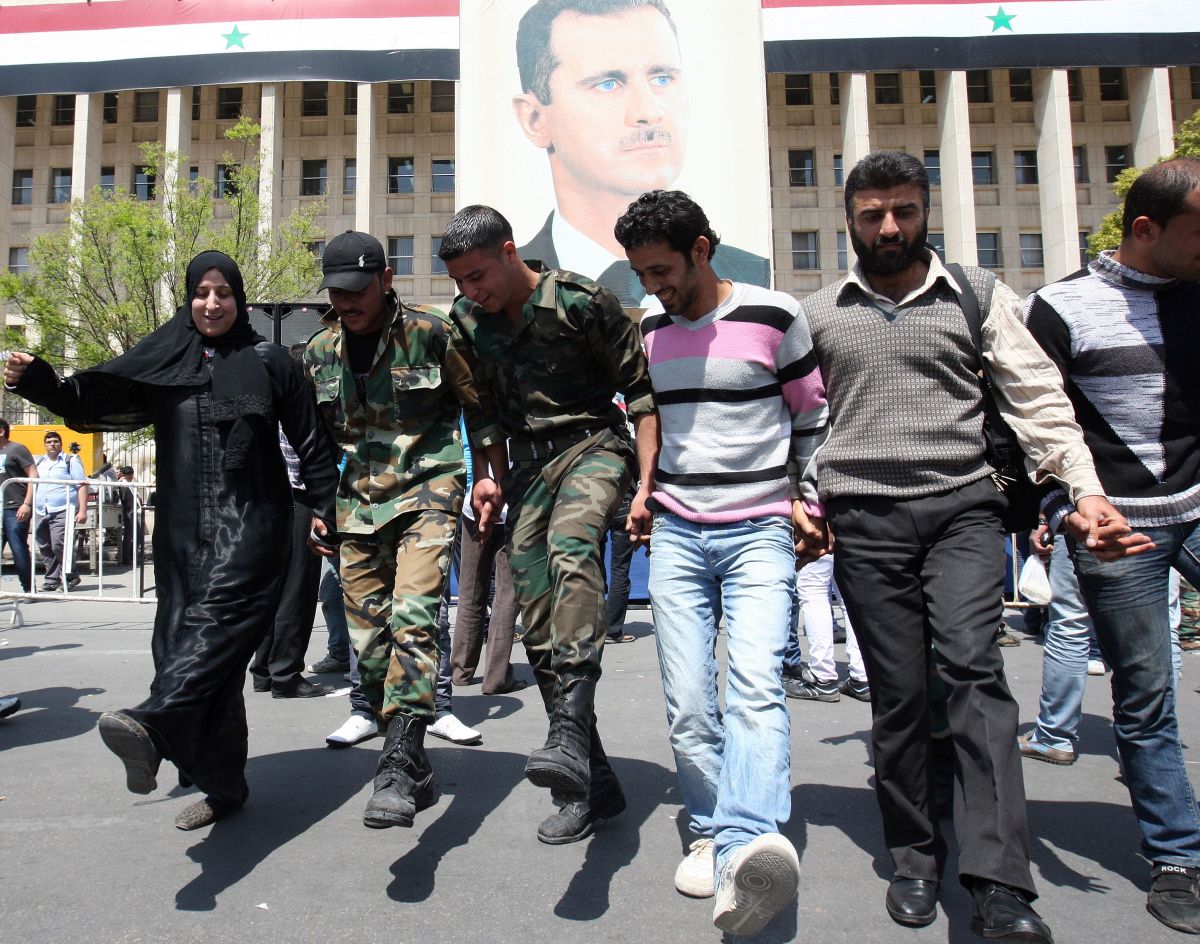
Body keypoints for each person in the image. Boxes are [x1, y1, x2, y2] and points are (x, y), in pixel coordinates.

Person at [794, 150, 1142, 942]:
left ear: (927, 211)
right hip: (866, 519)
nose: (890, 227)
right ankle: (916, 856)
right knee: (901, 695)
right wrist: (800, 495)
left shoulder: (980, 295)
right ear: (848, 220)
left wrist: (1085, 491)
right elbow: (796, 420)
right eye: (873, 213)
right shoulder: (816, 313)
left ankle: (999, 882)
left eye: (905, 211)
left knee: (974, 675)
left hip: (964, 511)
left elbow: (1039, 401)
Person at [5, 251, 338, 831]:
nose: (213, 303)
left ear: (239, 298)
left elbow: (313, 445)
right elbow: (92, 403)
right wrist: (41, 381)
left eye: (224, 293)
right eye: (202, 293)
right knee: (183, 653)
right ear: (189, 298)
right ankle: (223, 784)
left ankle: (155, 727)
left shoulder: (273, 361)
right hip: (182, 536)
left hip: (254, 526)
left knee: (209, 640)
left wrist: (325, 512)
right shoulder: (165, 359)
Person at [614, 189, 817, 934]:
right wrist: (643, 490)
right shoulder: (651, 327)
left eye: (661, 268)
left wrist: (811, 501)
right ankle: (709, 825)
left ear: (702, 248)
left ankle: (740, 849)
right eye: (641, 272)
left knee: (757, 686)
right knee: (690, 700)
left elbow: (813, 416)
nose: (652, 285)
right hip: (676, 532)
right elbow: (653, 420)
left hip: (759, 528)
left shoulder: (774, 315)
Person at [439, 204, 656, 844]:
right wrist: (488, 475)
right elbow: (479, 412)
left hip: (593, 447)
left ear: (510, 251)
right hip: (527, 469)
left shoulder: (581, 302)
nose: (470, 291)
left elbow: (641, 396)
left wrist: (645, 488)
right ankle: (593, 777)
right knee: (536, 623)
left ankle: (564, 732)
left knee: (572, 552)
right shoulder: (466, 321)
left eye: (478, 276)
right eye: (459, 282)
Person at [1023, 157, 1200, 935]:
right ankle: (1177, 859)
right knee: (1145, 696)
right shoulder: (1059, 308)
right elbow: (1030, 427)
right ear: (1144, 230)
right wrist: (1063, 508)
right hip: (1116, 529)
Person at [306, 230, 488, 829]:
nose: (347, 302)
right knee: (369, 641)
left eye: (357, 289)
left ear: (386, 279)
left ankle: (402, 756)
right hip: (355, 505)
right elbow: (313, 440)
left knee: (414, 617)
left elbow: (477, 408)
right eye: (336, 292)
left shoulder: (432, 334)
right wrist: (315, 504)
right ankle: (407, 756)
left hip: (427, 490)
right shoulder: (320, 352)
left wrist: (486, 476)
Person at [511, 0, 768, 306]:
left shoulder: (756, 277)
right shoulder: (507, 288)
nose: (648, 111)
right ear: (535, 119)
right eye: (607, 84)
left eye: (662, 78)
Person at [248, 401, 336, 699]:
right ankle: (284, 674)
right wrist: (321, 505)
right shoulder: (296, 404)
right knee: (297, 590)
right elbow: (304, 459)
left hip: (266, 499)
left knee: (274, 588)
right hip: (297, 498)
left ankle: (264, 670)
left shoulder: (261, 396)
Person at [783, 555, 870, 703]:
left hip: (825, 538)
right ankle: (862, 676)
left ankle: (822, 677)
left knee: (813, 585)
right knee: (848, 593)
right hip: (853, 537)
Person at [33, 429, 86, 592]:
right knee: (44, 545)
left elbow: (82, 485)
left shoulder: (70, 461)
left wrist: (82, 510)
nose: (52, 444)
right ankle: (52, 579)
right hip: (41, 509)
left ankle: (71, 575)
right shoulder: (40, 462)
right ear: (44, 445)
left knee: (59, 544)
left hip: (63, 509)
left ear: (61, 444)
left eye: (55, 441)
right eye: (49, 442)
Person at [0, 418, 37, 593]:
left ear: (2, 431)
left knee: (17, 547)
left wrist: (27, 503)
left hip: (15, 506)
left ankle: (28, 589)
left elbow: (33, 475)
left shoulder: (16, 449)